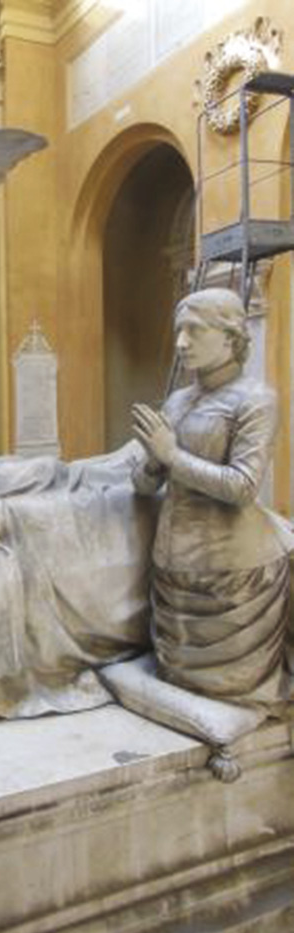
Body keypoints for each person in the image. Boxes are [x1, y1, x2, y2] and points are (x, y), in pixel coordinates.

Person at [131, 288, 290, 713]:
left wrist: (172, 456)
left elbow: (242, 487)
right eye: (179, 330)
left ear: (230, 336)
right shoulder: (179, 400)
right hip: (172, 565)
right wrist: (151, 463)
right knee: (180, 685)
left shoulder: (256, 398)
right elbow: (146, 486)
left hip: (233, 573)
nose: (181, 342)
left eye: (194, 331)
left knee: (223, 699)